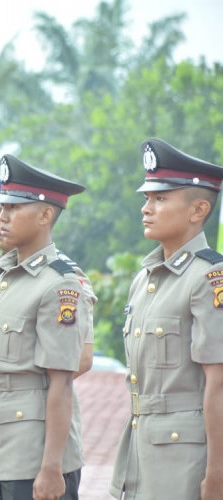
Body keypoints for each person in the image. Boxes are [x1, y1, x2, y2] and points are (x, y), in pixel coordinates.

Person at [0, 155, 93, 500]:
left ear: (45, 215)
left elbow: (64, 379)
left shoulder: (60, 284)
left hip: (34, 457)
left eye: (11, 210)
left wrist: (51, 468)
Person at [109, 138, 223, 500]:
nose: (146, 208)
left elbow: (218, 384)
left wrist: (217, 473)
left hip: (185, 457)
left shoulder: (209, 277)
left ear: (198, 210)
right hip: (140, 447)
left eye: (160, 199)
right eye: (146, 198)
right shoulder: (144, 279)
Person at [0, 176, 95, 377]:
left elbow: (83, 358)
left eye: (11, 210)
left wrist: (25, 395)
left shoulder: (63, 278)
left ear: (44, 216)